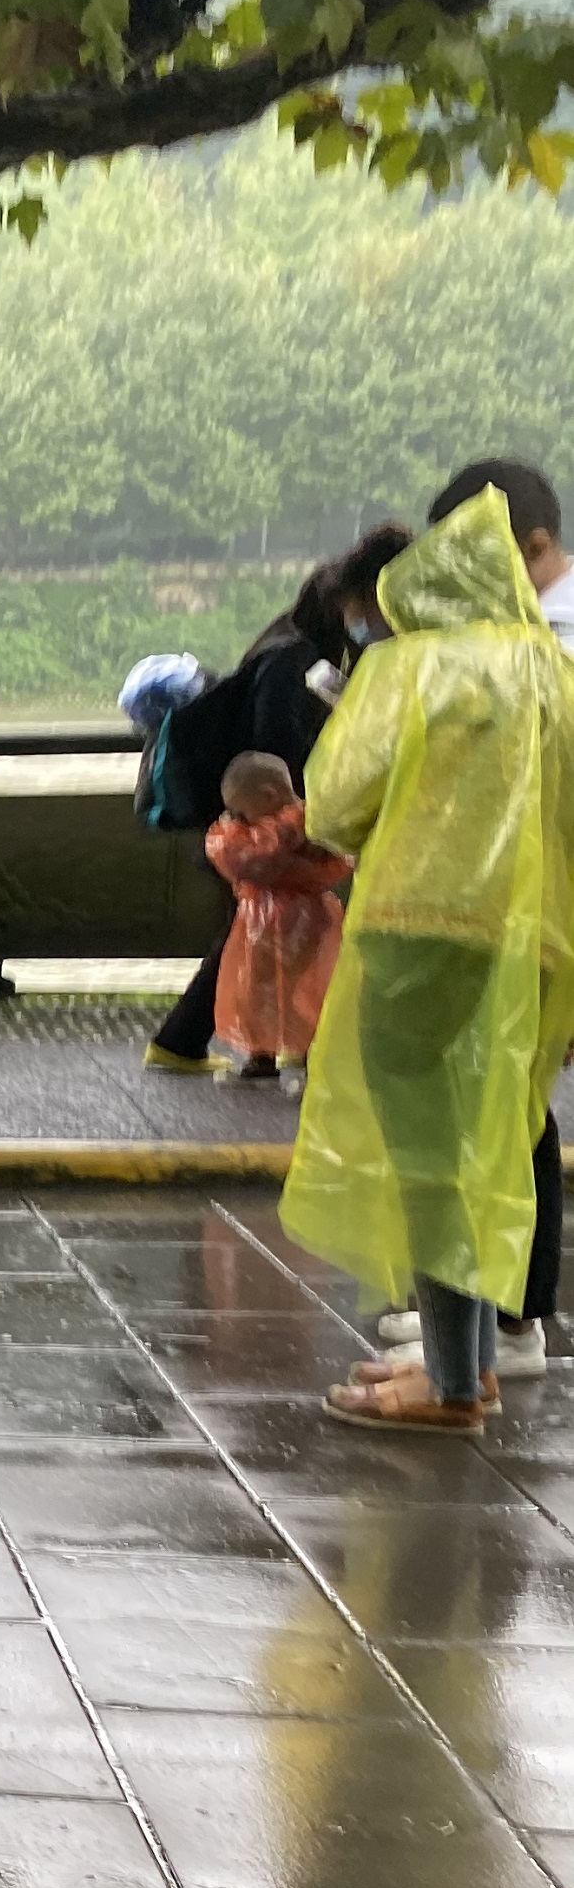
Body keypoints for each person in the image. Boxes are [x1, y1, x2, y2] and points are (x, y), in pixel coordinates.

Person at [290, 485, 574, 1434]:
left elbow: (332, 808)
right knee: (495, 1139)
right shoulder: (553, 672)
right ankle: (476, 1361)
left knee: (426, 1155)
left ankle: (450, 1381)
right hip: (530, 937)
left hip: (419, 927)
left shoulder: (415, 668)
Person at [363, 460, 574, 1385]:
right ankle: (490, 1326)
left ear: (526, 545)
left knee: (490, 1121)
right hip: (528, 920)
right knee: (505, 1111)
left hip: (508, 916)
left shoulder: (541, 644)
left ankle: (497, 1334)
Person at [142, 529, 408, 1071]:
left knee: (258, 939)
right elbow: (278, 747)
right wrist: (298, 819)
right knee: (258, 939)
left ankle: (211, 1046)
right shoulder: (294, 659)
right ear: (347, 602)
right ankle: (196, 1045)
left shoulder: (303, 647)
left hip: (253, 818)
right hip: (261, 824)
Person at [205, 751, 351, 1078]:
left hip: (289, 921)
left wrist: (285, 829)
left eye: (242, 811)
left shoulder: (292, 827)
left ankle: (298, 1048)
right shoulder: (306, 824)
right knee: (262, 987)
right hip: (287, 918)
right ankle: (268, 1049)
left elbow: (253, 858)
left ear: (268, 796)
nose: (237, 819)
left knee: (300, 986)